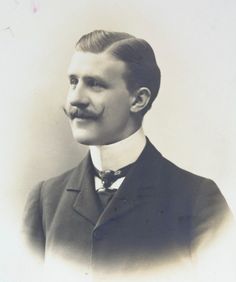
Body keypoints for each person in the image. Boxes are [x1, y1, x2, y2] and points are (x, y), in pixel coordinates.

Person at [23, 30, 234, 282]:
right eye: (73, 82)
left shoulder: (198, 200)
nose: (76, 98)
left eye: (95, 84)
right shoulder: (45, 200)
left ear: (138, 100)